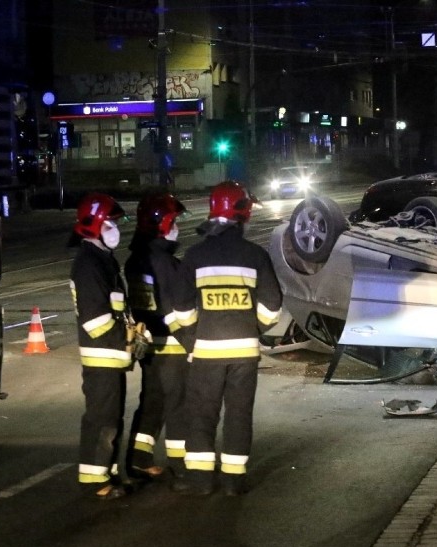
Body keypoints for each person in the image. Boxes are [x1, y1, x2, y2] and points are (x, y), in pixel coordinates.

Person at [172, 181, 282, 496]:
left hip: (206, 353)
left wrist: (194, 336)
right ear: (243, 214)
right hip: (244, 353)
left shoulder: (195, 255)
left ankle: (201, 482)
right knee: (238, 414)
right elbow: (272, 305)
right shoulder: (255, 254)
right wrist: (253, 329)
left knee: (202, 414)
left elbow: (181, 306)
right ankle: (234, 481)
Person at [68, 192, 132, 500]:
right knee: (101, 420)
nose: (115, 230)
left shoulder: (102, 261)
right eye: (109, 225)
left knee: (111, 419)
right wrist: (126, 339)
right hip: (102, 357)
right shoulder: (89, 265)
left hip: (111, 357)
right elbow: (97, 322)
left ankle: (108, 471)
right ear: (92, 227)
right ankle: (95, 480)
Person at [124, 193, 190, 482]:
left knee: (152, 402)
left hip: (148, 344)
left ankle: (139, 458)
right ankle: (181, 464)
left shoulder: (135, 260)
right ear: (160, 224)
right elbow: (176, 306)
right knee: (178, 405)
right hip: (172, 345)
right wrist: (192, 342)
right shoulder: (166, 262)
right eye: (173, 221)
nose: (177, 227)